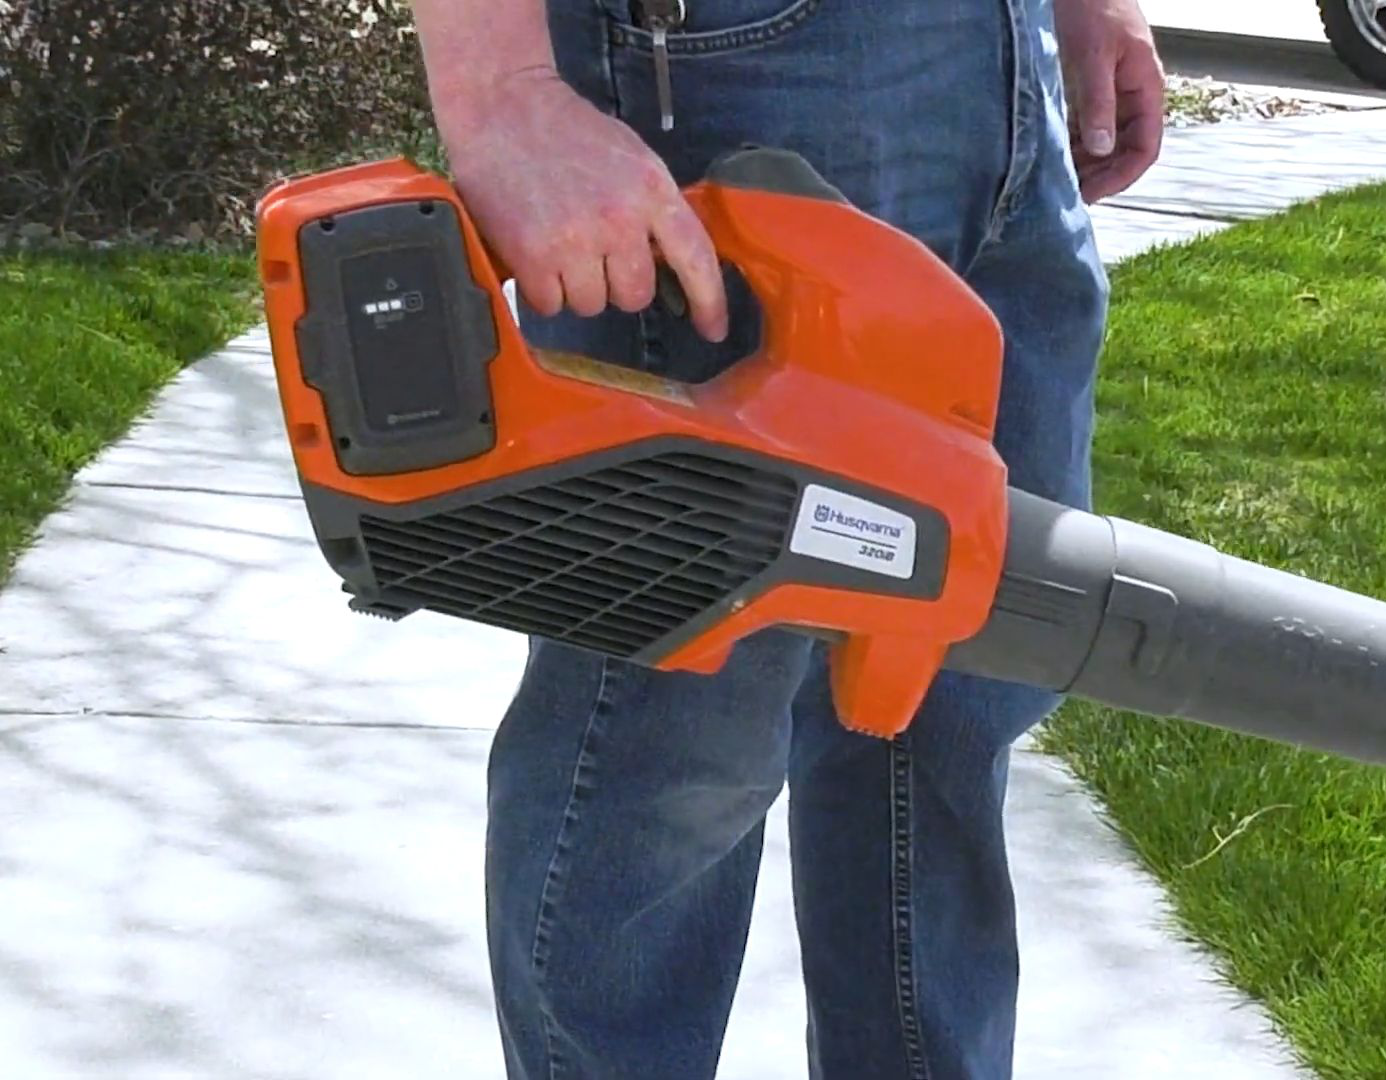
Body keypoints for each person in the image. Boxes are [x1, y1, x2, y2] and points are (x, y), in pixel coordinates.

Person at [405, 1, 1165, 1076]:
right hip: (737, 63)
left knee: (951, 695)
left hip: (1004, 67)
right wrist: (497, 91)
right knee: (668, 745)